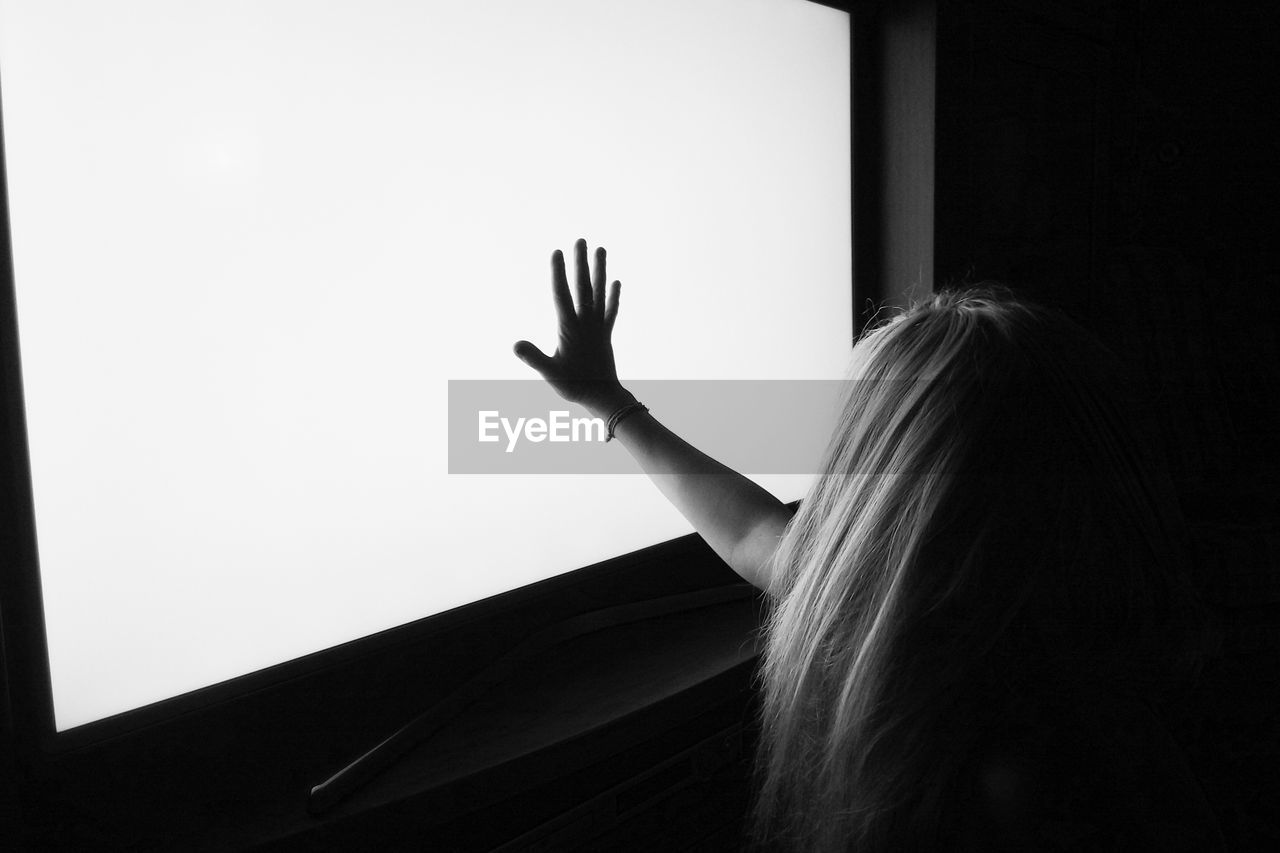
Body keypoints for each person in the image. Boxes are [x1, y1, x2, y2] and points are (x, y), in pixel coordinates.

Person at [514, 239, 1224, 852]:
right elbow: (753, 530)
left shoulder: (1040, 784)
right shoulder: (928, 616)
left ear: (891, 513)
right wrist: (611, 403)